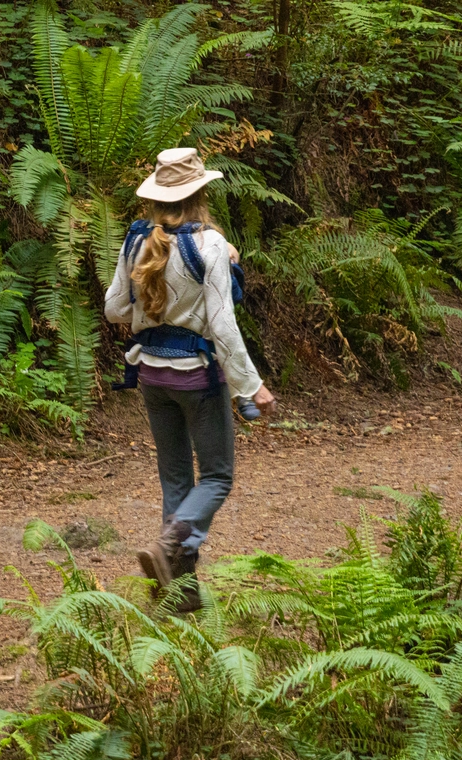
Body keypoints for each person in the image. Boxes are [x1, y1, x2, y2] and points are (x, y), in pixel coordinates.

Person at [104, 147, 276, 611]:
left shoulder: (135, 240)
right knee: (216, 477)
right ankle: (167, 549)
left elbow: (115, 309)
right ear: (202, 193)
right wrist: (250, 387)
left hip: (152, 376)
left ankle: (178, 594)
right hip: (198, 380)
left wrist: (155, 305)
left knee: (177, 482)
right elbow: (222, 325)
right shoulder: (211, 246)